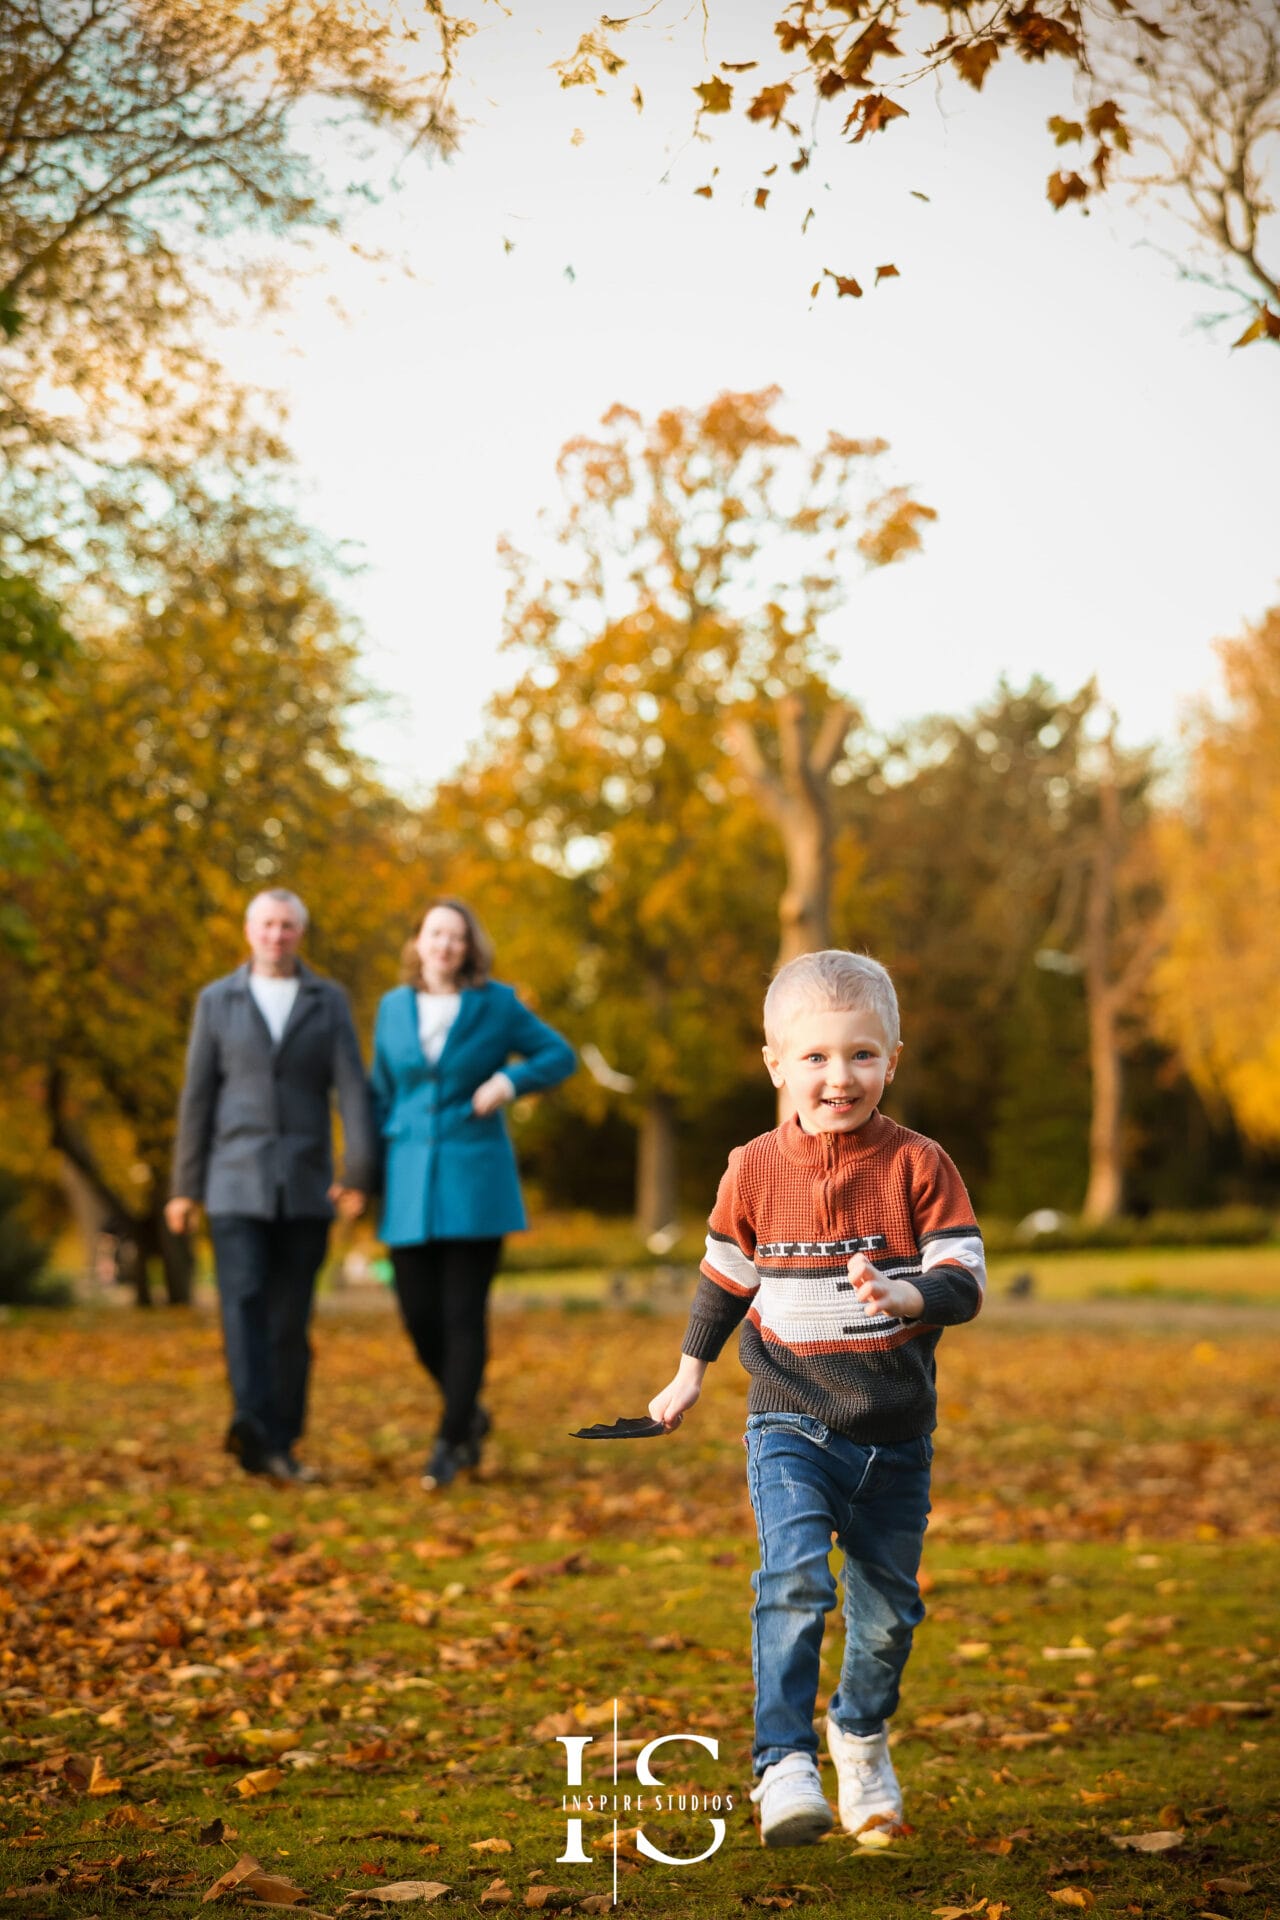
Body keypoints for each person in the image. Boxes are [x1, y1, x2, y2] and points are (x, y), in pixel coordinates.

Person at [648, 951, 985, 1847]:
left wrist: (914, 1296)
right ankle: (784, 1763)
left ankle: (861, 1736)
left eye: (863, 1056)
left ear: (894, 1059)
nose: (840, 1077)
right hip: (789, 1415)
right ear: (777, 1064)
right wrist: (691, 1371)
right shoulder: (753, 1169)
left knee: (885, 1618)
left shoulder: (920, 1164)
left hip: (895, 1432)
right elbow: (726, 1274)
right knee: (793, 1578)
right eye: (817, 1058)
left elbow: (964, 1272)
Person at [167, 889, 374, 1483]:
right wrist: (184, 1188)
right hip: (233, 1186)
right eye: (266, 924)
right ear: (248, 930)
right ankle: (251, 1424)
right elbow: (197, 1098)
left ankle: (282, 1438)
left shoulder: (327, 1000)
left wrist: (356, 1174)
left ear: (299, 934)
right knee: (241, 1306)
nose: (276, 935)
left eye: (286, 926)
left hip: (307, 1189)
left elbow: (352, 1092)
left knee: (289, 1321)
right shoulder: (217, 1001)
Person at [371, 898, 575, 1492]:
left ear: (468, 947)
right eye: (435, 933)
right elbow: (379, 1088)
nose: (444, 945)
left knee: (463, 1316)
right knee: (418, 1317)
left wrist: (509, 1080)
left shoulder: (496, 1004)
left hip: (475, 1179)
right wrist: (364, 1170)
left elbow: (557, 1055)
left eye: (456, 937)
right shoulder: (391, 1008)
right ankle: (471, 1414)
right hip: (407, 1178)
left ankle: (450, 1439)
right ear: (419, 941)